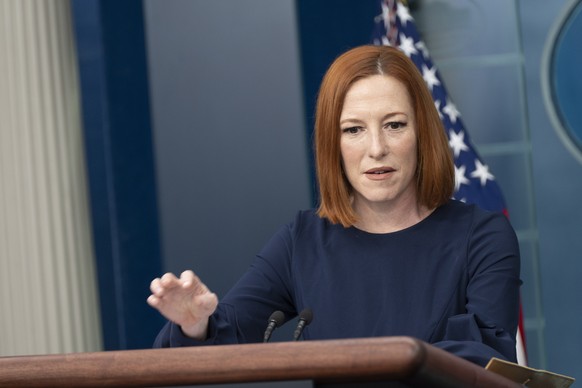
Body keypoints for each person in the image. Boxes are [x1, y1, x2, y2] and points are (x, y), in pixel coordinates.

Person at [147, 45, 521, 367]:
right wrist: (196, 325)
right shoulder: (302, 241)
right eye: (354, 130)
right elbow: (224, 338)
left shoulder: (482, 237)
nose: (377, 148)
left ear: (421, 133)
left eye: (394, 125)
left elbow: (483, 358)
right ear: (333, 145)